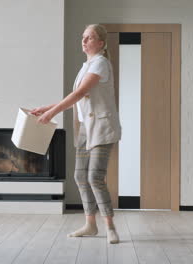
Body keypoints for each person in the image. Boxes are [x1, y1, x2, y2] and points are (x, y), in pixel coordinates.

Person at [31, 24, 122, 244]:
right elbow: (77, 97)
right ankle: (90, 224)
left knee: (94, 177)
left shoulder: (100, 63)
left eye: (89, 38)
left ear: (100, 43)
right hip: (84, 128)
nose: (84, 41)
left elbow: (81, 91)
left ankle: (110, 226)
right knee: (80, 176)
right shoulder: (87, 65)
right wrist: (46, 107)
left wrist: (53, 112)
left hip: (101, 129)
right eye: (83, 37)